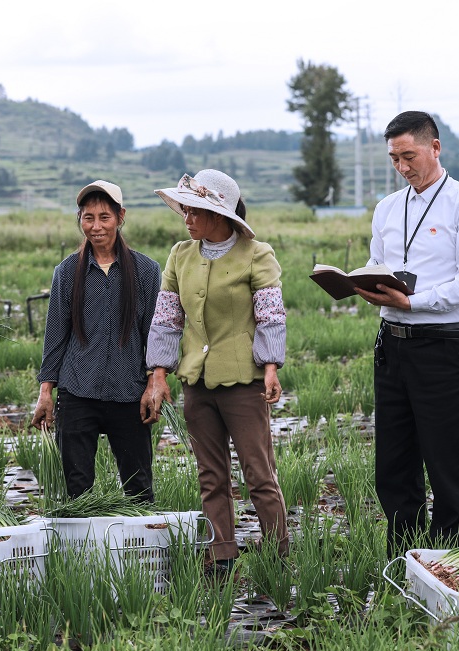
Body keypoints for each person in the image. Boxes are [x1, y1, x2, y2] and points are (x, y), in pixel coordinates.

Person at [354, 111, 459, 557]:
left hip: (442, 346)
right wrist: (367, 287)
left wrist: (412, 302)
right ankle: (406, 561)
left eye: (408, 155)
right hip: (392, 346)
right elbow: (378, 265)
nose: (402, 167)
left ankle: (450, 564)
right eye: (394, 158)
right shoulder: (387, 208)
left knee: (447, 465)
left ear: (435, 147)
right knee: (393, 467)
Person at [140, 169, 288, 573]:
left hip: (244, 381)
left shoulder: (257, 254)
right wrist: (159, 375)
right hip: (197, 382)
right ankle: (221, 552)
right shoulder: (180, 255)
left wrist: (271, 368)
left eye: (195, 211)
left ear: (220, 214)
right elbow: (167, 318)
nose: (186, 218)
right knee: (211, 473)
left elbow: (270, 317)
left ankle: (277, 552)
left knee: (258, 472)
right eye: (185, 210)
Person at [31, 181, 160, 501]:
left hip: (128, 392)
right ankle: (80, 550)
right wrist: (46, 392)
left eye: (105, 217)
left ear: (120, 216)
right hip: (77, 391)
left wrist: (155, 383)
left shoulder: (146, 271)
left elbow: (155, 334)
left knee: (139, 484)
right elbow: (55, 335)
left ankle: (140, 548)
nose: (96, 226)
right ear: (80, 220)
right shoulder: (67, 271)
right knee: (76, 488)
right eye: (88, 218)